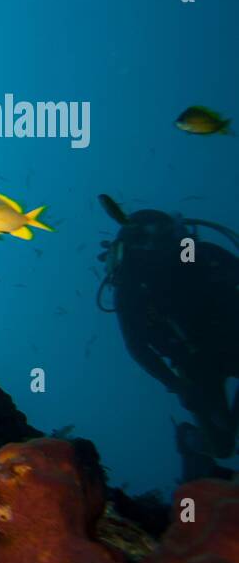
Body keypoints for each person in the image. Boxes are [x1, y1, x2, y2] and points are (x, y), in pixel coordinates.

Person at [97, 197, 239, 480]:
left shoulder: (204, 255)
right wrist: (176, 385)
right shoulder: (130, 283)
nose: (154, 247)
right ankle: (191, 443)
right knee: (222, 446)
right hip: (193, 363)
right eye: (144, 238)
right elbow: (137, 346)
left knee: (223, 438)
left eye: (160, 236)